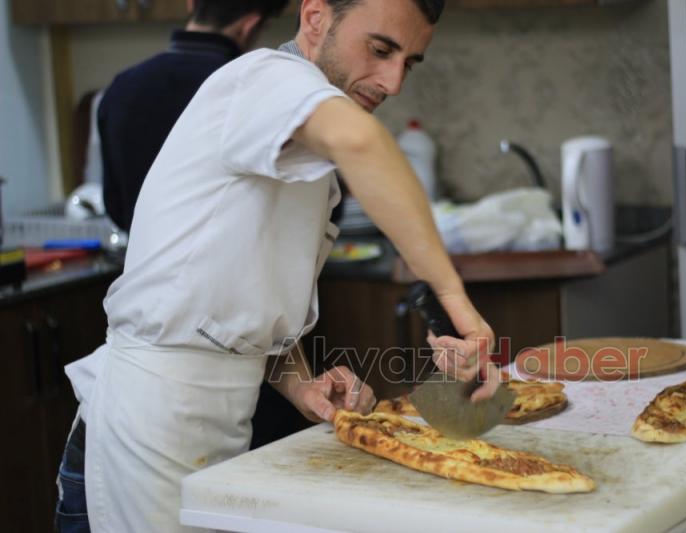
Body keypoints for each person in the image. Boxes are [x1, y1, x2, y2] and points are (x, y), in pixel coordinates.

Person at [58, 0, 501, 531]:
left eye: (410, 61)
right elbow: (363, 142)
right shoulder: (264, 78)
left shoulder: (298, 140)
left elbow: (237, 296)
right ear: (315, 19)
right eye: (381, 49)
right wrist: (454, 297)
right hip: (147, 423)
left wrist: (298, 383)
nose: (393, 81)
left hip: (213, 423)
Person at [99, 0, 287, 233]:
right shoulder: (252, 90)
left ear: (190, 5)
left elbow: (115, 207)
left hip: (139, 263)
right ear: (250, 25)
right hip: (228, 263)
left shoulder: (122, 86)